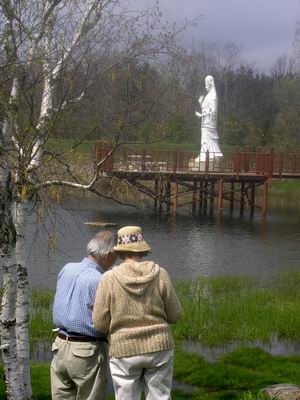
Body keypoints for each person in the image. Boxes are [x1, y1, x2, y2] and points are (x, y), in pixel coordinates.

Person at [92, 226, 182, 400]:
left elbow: (99, 323)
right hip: (159, 346)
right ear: (142, 248)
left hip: (123, 349)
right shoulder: (160, 274)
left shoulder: (109, 278)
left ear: (119, 251)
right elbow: (175, 314)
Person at [51, 230, 117, 400]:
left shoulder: (67, 269)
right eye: (115, 254)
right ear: (108, 254)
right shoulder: (100, 279)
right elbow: (106, 317)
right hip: (86, 350)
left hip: (59, 345)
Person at [195, 75, 223, 162]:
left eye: (206, 84)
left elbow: (213, 111)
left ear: (210, 84)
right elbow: (205, 109)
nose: (205, 86)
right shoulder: (208, 95)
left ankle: (210, 156)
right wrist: (200, 103)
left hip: (209, 123)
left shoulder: (212, 96)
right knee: (204, 138)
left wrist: (201, 116)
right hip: (205, 122)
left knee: (208, 138)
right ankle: (204, 155)